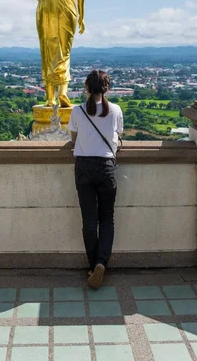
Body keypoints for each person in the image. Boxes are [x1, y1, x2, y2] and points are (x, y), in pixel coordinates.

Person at [68, 70, 123, 289]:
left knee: (89, 221)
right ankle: (101, 263)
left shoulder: (77, 111)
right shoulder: (116, 110)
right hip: (107, 168)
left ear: (87, 88)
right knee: (106, 218)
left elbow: (74, 138)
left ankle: (93, 267)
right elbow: (118, 136)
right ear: (107, 88)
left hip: (84, 168)